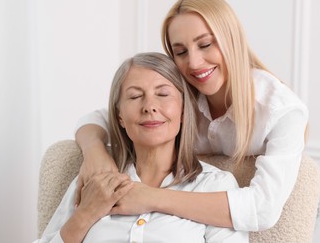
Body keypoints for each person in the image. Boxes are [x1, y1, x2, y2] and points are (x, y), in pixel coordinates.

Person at [75, 0, 309, 231]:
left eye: (205, 44)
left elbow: (263, 209)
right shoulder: (176, 97)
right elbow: (102, 118)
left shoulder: (282, 110)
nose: (194, 63)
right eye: (181, 52)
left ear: (232, 40)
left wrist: (150, 197)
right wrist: (95, 153)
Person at [35, 52, 247, 242]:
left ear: (183, 110)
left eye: (163, 94)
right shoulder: (94, 179)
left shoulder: (214, 186)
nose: (149, 107)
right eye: (135, 96)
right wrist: (85, 215)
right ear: (119, 117)